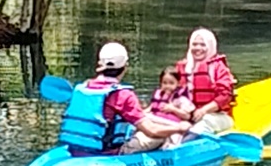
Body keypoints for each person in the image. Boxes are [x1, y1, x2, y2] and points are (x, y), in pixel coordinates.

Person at [58, 42, 191, 157]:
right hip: (109, 152)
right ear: (125, 66)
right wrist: (179, 128)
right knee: (160, 135)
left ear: (100, 64)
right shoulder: (123, 95)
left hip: (77, 148)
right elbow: (152, 131)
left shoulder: (83, 87)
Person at [174, 28, 236, 135]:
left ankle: (190, 143)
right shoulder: (182, 67)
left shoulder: (218, 67)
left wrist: (203, 110)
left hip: (219, 116)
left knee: (204, 122)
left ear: (210, 46)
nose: (198, 48)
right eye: (194, 44)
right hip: (189, 116)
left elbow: (225, 96)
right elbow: (171, 92)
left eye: (203, 45)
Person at [145, 66, 194, 148]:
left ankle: (169, 149)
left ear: (178, 83)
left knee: (174, 137)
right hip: (156, 123)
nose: (167, 86)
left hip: (172, 125)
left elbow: (187, 116)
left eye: (171, 83)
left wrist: (173, 109)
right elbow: (151, 108)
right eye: (164, 83)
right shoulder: (159, 94)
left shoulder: (180, 99)